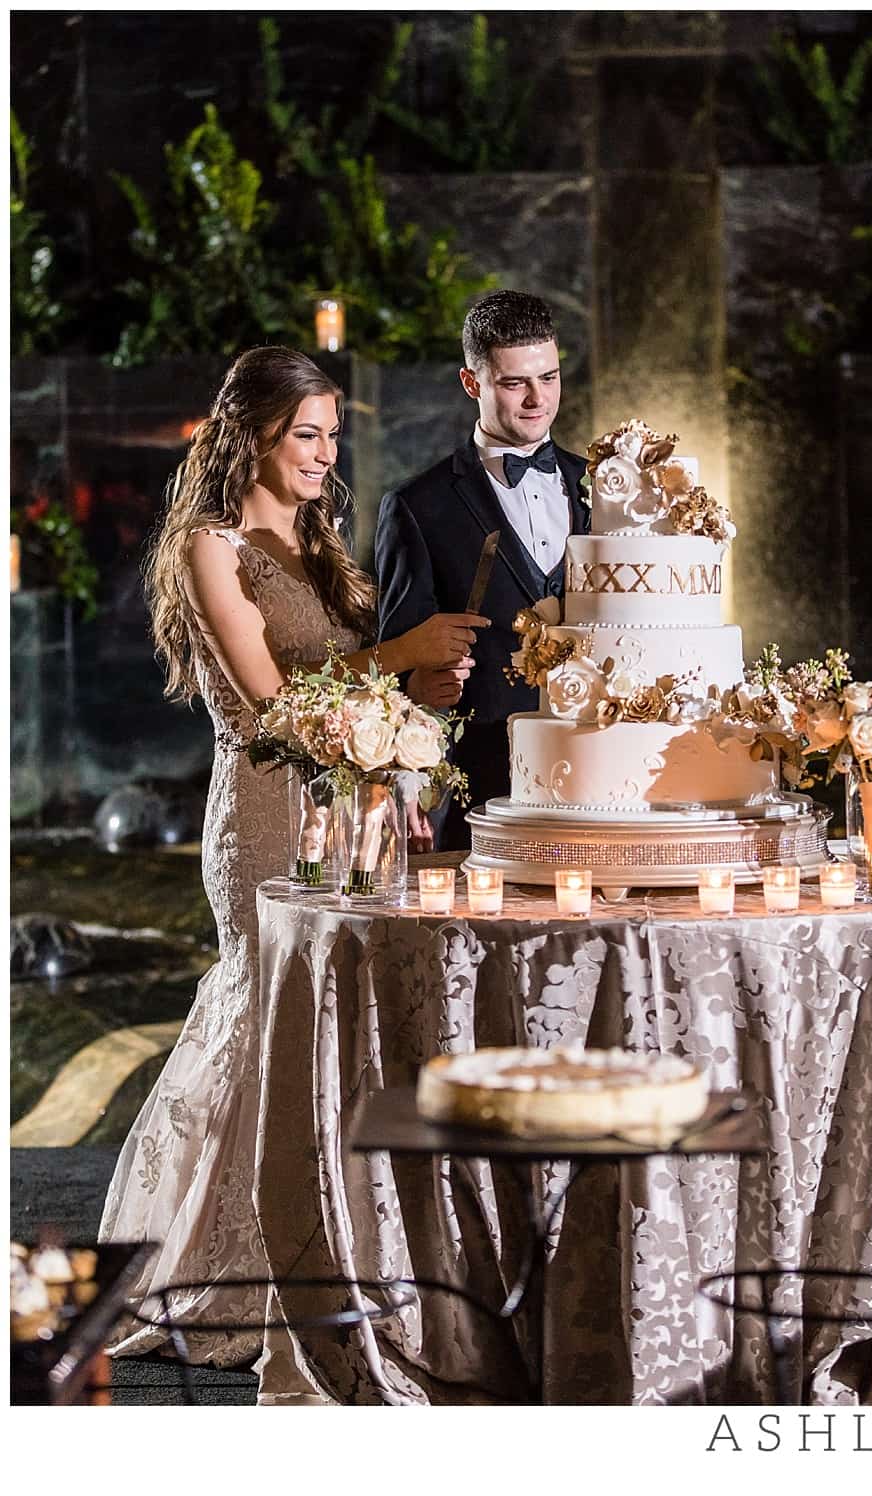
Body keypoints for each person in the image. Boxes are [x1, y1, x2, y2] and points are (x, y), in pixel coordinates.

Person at [99, 346, 485, 1364]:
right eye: (304, 435)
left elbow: (348, 690)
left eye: (330, 435)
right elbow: (274, 706)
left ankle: (333, 1252)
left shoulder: (320, 541)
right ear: (253, 437)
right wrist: (396, 657)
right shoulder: (209, 548)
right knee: (267, 1019)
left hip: (349, 811)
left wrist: (414, 698)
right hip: (266, 811)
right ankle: (232, 1263)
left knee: (330, 1030)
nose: (324, 454)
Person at [374, 290, 588, 850]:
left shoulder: (605, 488)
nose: (538, 398)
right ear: (473, 384)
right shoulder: (419, 506)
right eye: (516, 383)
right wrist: (419, 689)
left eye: (550, 377)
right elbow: (397, 666)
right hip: (482, 795)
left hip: (600, 784)